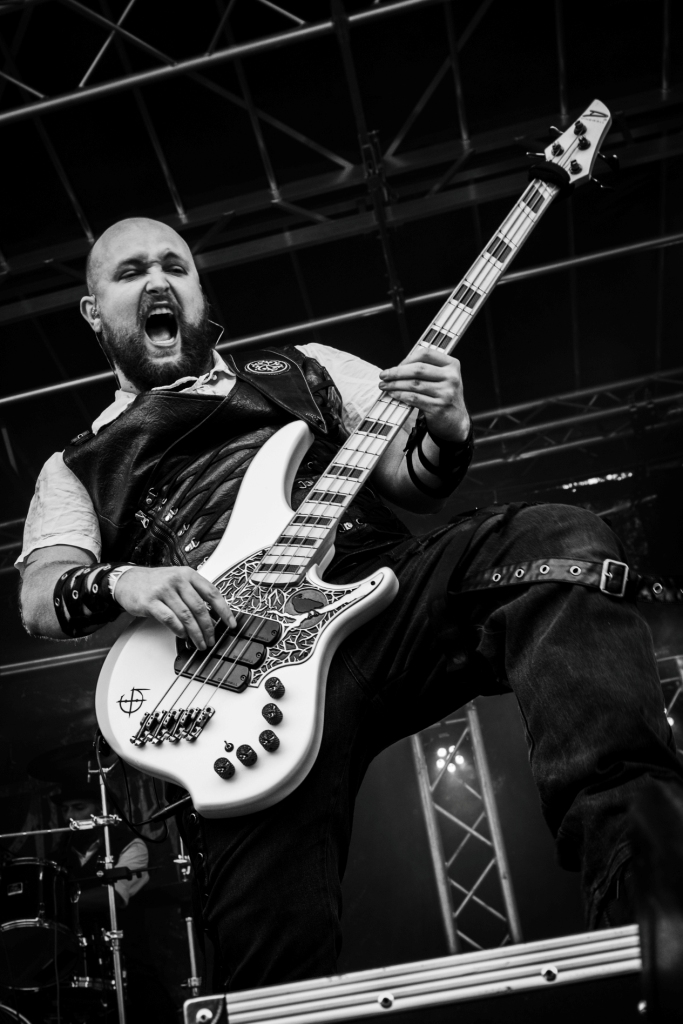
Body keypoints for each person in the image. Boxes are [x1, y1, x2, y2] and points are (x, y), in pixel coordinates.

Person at [17, 217, 683, 993]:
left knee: (560, 541)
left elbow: (410, 477)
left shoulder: (304, 369)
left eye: (175, 265)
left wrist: (446, 429)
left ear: (197, 289)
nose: (159, 280)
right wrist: (125, 581)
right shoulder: (78, 464)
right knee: (268, 976)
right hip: (235, 680)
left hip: (383, 598)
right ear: (93, 312)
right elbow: (39, 598)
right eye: (131, 272)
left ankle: (643, 877)